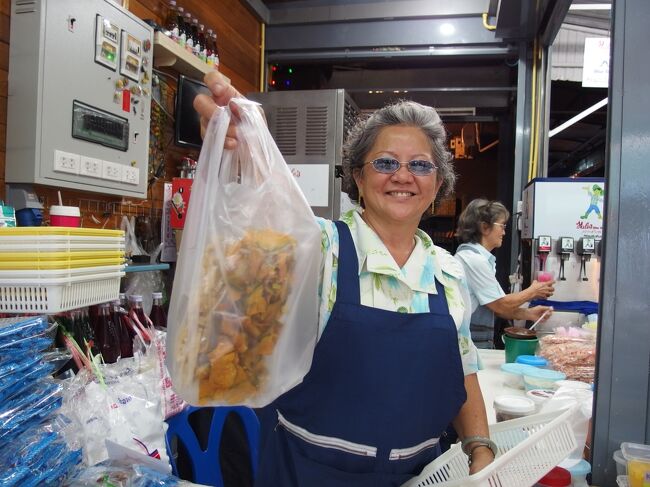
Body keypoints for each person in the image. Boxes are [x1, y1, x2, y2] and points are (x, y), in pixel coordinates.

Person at [194, 70, 495, 486]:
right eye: (385, 162)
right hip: (309, 471)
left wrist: (479, 444)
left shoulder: (448, 271)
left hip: (422, 475)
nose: (403, 176)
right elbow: (252, 225)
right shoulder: (318, 248)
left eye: (420, 165)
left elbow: (462, 368)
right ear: (357, 176)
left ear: (438, 183)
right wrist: (236, 153)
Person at [454, 199, 555, 348]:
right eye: (502, 226)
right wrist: (533, 291)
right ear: (484, 227)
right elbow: (501, 305)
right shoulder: (473, 260)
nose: (504, 232)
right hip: (469, 344)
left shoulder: (479, 259)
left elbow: (494, 305)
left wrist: (529, 314)